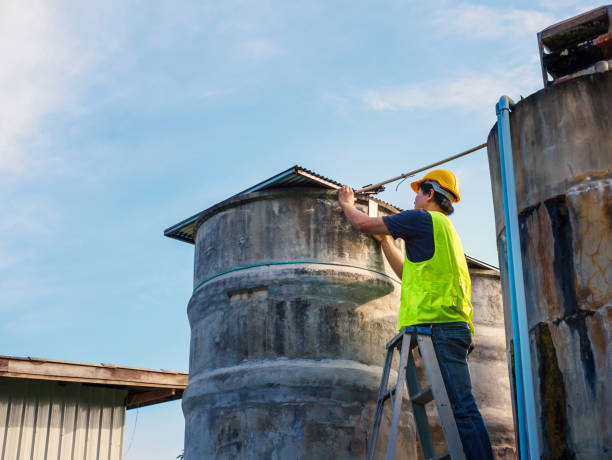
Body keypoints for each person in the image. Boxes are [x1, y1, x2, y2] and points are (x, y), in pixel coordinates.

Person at [337, 169, 494, 460]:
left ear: (430, 193)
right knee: (462, 406)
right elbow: (407, 274)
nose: (414, 197)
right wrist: (385, 242)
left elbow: (360, 224)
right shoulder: (444, 230)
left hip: (441, 326)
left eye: (418, 191)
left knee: (462, 407)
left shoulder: (421, 219)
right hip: (452, 325)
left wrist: (347, 203)